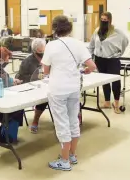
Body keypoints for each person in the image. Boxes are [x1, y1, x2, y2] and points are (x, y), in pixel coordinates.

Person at [41, 15, 97, 171]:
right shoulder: (78, 44)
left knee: (62, 124)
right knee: (73, 121)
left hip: (57, 89)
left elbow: (45, 70)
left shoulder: (51, 45)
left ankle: (64, 161)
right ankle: (72, 154)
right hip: (74, 88)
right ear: (70, 28)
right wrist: (84, 71)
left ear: (54, 29)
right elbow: (92, 66)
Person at [88, 12, 129, 114]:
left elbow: (125, 42)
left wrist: (119, 52)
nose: (103, 21)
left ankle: (116, 103)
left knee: (115, 81)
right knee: (104, 81)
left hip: (112, 60)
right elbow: (92, 44)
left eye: (105, 19)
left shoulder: (117, 32)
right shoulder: (97, 31)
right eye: (102, 19)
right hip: (99, 59)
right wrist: (89, 57)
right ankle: (107, 102)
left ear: (110, 20)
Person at [15, 38, 48, 134]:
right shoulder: (27, 62)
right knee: (44, 98)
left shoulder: (47, 58)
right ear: (35, 51)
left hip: (46, 85)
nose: (43, 52)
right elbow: (20, 77)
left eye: (44, 49)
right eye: (41, 50)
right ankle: (35, 120)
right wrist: (35, 77)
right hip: (31, 87)